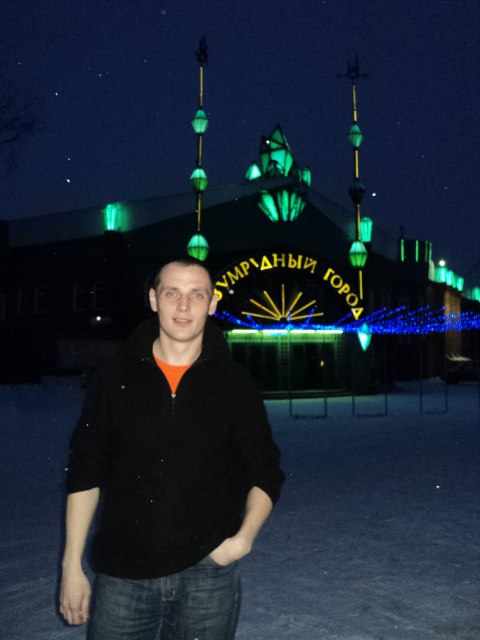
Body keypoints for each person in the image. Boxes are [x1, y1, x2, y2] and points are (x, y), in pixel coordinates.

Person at [59, 256, 284, 639]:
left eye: (196, 294)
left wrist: (241, 541)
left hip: (208, 576)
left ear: (212, 304)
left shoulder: (235, 383)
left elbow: (265, 470)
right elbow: (86, 469)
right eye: (172, 293)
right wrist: (71, 565)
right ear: (153, 299)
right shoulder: (114, 376)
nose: (183, 306)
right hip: (123, 576)